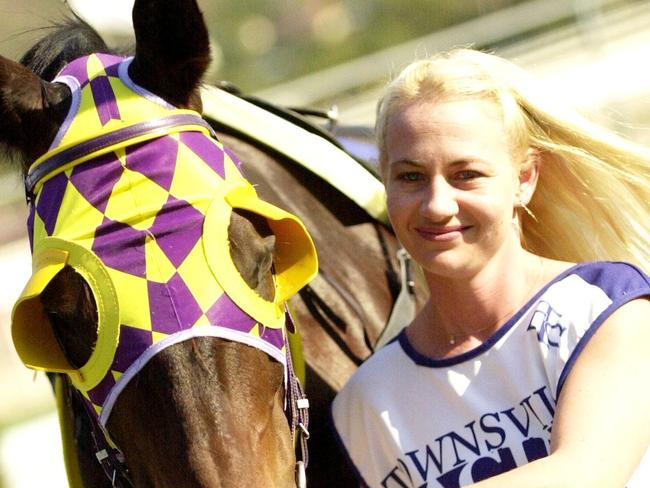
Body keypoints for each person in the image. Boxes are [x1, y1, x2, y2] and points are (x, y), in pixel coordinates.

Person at [331, 48, 650, 488]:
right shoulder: (364, 403)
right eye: (410, 177)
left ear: (524, 179)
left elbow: (587, 473)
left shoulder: (606, 308)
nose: (437, 205)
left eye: (466, 175)